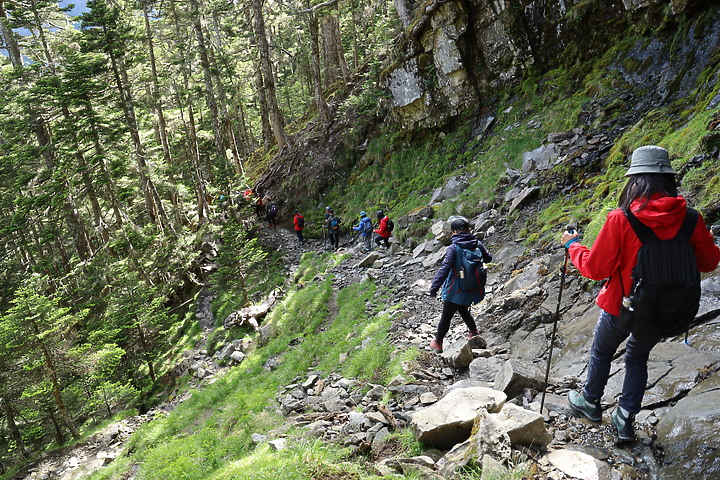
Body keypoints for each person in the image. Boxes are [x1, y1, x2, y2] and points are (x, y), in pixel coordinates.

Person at [561, 145, 720, 442]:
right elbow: (709, 262)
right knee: (637, 358)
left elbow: (595, 268)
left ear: (635, 181)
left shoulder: (621, 219)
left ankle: (591, 403)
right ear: (668, 180)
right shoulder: (691, 219)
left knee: (602, 351)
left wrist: (573, 246)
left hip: (623, 305)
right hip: (666, 309)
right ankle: (624, 418)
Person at [429, 218, 492, 354]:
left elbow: (444, 269)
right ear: (468, 230)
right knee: (463, 309)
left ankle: (438, 342)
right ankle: (474, 332)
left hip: (455, 289)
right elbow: (488, 258)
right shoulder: (477, 244)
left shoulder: (454, 247)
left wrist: (434, 287)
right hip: (473, 288)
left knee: (446, 316)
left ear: (454, 232)